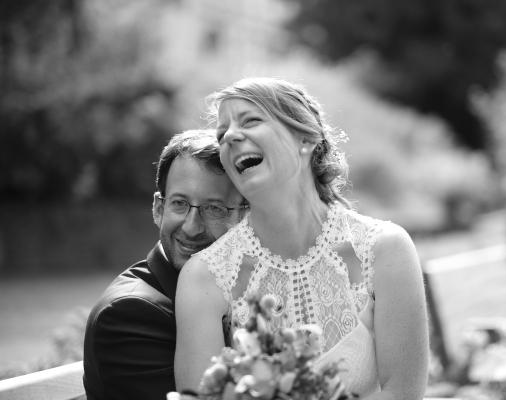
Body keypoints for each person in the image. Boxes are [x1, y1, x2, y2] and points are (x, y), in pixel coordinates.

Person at [175, 77, 430, 400]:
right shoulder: (204, 277)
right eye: (221, 133)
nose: (229, 137)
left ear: (306, 139)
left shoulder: (385, 249)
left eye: (250, 121)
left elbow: (403, 392)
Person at [83, 129, 246, 400]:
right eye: (179, 203)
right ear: (158, 208)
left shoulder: (236, 289)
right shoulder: (129, 314)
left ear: (243, 216)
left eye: (213, 208)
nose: (191, 227)